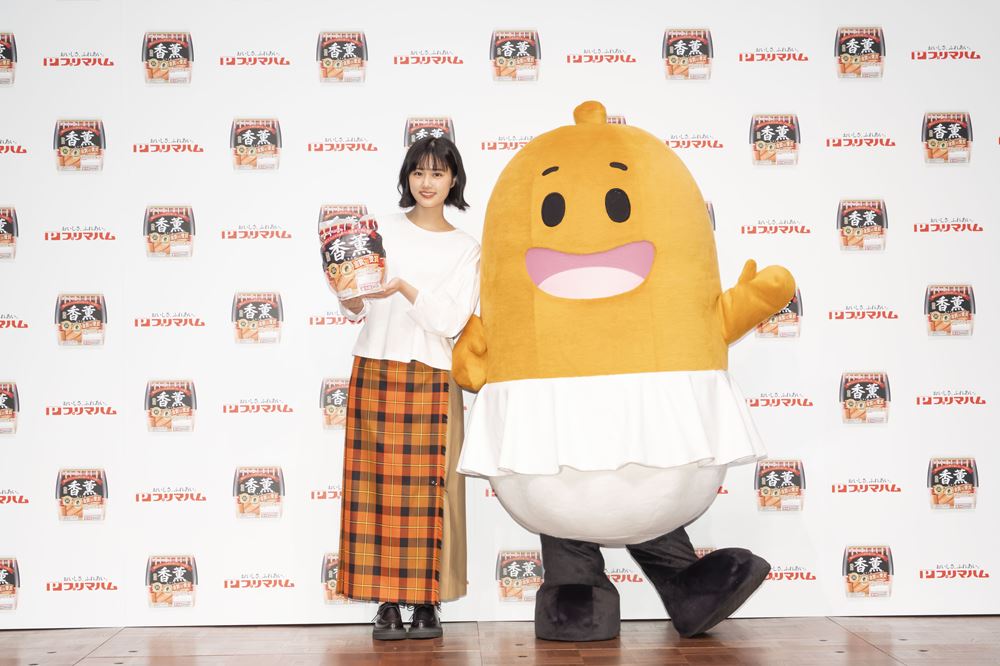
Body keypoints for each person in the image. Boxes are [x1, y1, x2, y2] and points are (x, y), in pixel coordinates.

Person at [335, 136, 480, 641]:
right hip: (376, 366)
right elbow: (357, 303)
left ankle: (427, 602)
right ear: (407, 178)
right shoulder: (379, 230)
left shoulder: (466, 248)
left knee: (432, 491)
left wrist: (403, 286)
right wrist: (349, 296)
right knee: (373, 489)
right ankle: (386, 603)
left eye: (437, 173)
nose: (427, 182)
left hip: (434, 375)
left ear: (454, 179)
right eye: (418, 172)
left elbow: (452, 320)